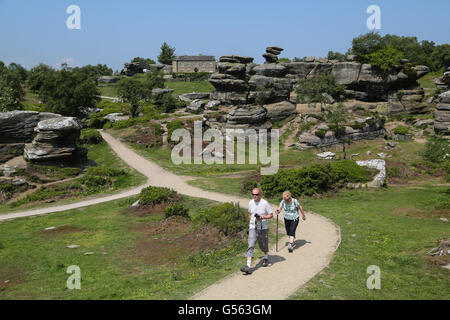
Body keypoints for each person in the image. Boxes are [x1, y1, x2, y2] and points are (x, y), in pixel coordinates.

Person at [240, 188, 274, 274]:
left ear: (260, 194)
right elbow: (249, 213)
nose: (254, 196)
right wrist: (250, 223)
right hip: (253, 227)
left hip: (263, 227)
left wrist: (263, 217)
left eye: (256, 194)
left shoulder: (265, 203)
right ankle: (248, 266)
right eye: (253, 194)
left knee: (263, 244)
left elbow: (271, 215)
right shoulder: (250, 202)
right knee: (250, 244)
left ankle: (265, 257)